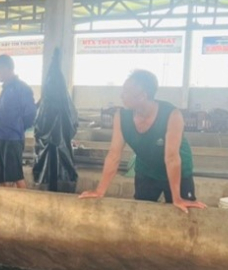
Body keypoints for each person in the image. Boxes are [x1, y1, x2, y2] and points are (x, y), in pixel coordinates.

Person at [80, 69, 206, 213]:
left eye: (126, 92)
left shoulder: (172, 115)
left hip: (178, 171)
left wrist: (177, 198)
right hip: (147, 171)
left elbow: (172, 158)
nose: (121, 96)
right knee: (141, 211)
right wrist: (99, 191)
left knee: (182, 211)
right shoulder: (122, 117)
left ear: (142, 96)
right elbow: (114, 155)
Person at [0, 54, 36, 188]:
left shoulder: (22, 89)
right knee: (0, 176)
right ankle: (5, 199)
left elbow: (30, 114)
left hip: (13, 139)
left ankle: (24, 200)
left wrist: (18, 127)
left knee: (15, 175)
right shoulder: (5, 89)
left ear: (7, 68)